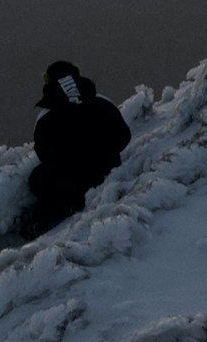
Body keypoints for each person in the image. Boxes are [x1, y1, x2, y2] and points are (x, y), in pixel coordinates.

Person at [9, 60, 131, 245]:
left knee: (37, 178)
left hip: (70, 184)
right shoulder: (101, 101)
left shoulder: (47, 116)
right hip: (107, 172)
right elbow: (124, 136)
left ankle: (52, 215)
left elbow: (45, 155)